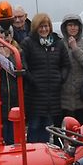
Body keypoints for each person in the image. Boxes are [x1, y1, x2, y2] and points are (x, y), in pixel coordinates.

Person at [21, 13, 69, 143]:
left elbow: (66, 64)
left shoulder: (58, 43)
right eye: (41, 27)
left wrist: (61, 78)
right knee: (34, 126)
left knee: (47, 128)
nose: (44, 29)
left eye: (46, 26)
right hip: (35, 95)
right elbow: (23, 65)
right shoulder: (28, 43)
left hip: (52, 95)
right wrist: (32, 80)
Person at [59, 15, 83, 123]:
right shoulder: (60, 43)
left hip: (82, 94)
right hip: (64, 94)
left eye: (75, 25)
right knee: (65, 127)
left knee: (81, 126)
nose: (73, 28)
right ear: (65, 27)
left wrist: (75, 48)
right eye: (70, 25)